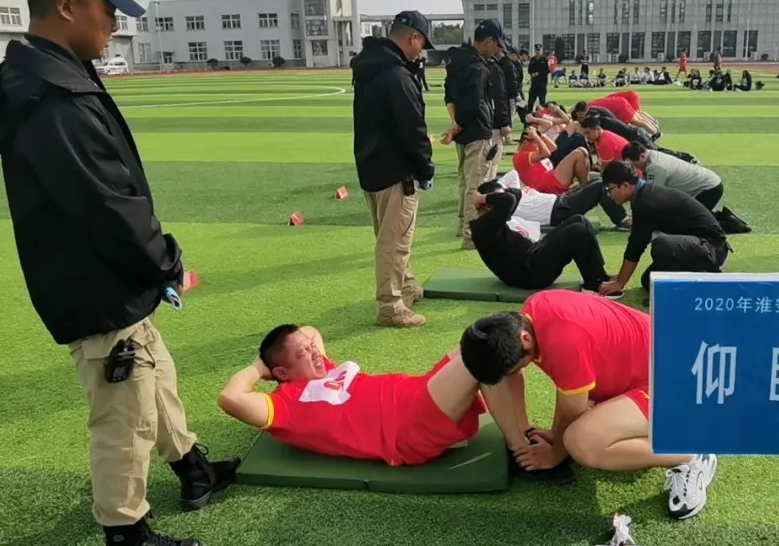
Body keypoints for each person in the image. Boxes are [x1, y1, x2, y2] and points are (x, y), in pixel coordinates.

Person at [0, 0, 237, 544]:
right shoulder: (50, 99)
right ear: (67, 5)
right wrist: (164, 261)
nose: (114, 24)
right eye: (107, 10)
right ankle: (126, 531)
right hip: (95, 283)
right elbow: (109, 206)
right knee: (123, 414)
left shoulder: (54, 75)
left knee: (154, 378)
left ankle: (192, 470)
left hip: (111, 277)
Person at [459, 291, 719, 520]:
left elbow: (571, 411)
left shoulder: (563, 340)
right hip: (646, 368)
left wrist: (554, 454)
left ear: (525, 339)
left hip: (676, 383)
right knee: (573, 427)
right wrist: (535, 435)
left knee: (581, 442)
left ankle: (690, 456)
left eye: (517, 367)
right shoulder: (530, 313)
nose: (516, 371)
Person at [220, 324, 576, 484]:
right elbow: (231, 398)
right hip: (406, 428)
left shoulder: (322, 368)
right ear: (282, 371)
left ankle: (523, 430)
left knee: (497, 339)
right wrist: (259, 367)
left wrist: (302, 349)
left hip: (418, 393)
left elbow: (310, 330)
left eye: (312, 348)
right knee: (485, 353)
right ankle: (523, 454)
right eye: (303, 353)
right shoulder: (286, 405)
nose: (314, 351)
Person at [352, 11, 435, 328]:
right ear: (413, 38)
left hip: (370, 164)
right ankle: (390, 306)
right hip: (396, 169)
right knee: (395, 240)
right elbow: (413, 129)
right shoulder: (398, 76)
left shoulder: (368, 68)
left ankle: (406, 287)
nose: (421, 50)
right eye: (422, 43)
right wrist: (425, 169)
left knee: (391, 235)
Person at [599, 161, 730, 300]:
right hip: (696, 244)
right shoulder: (644, 194)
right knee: (648, 281)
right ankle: (688, 280)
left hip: (712, 247)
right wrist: (620, 277)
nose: (608, 194)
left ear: (625, 186)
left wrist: (620, 283)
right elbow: (636, 244)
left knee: (662, 244)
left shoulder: (646, 203)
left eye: (609, 189)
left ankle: (701, 277)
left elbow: (636, 246)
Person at [468, 187, 617, 297]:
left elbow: (514, 196)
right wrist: (481, 198)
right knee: (577, 231)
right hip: (529, 274)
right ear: (488, 206)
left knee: (579, 219)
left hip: (532, 257)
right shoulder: (484, 228)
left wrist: (496, 194)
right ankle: (593, 286)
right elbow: (509, 199)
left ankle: (599, 275)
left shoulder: (489, 222)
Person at [444, 19, 510, 250]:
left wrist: (455, 124)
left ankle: (462, 224)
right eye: (497, 45)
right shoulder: (480, 68)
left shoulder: (457, 62)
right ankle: (471, 235)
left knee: (465, 182)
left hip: (461, 132)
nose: (498, 50)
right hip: (477, 130)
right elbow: (475, 103)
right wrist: (462, 123)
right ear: (489, 41)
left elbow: (449, 96)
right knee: (476, 184)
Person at [487, 171, 630, 230]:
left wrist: (502, 187)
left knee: (596, 180)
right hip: (559, 211)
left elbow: (513, 173)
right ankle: (622, 220)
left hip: (559, 199)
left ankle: (622, 218)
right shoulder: (506, 207)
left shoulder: (511, 193)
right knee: (599, 187)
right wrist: (491, 196)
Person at [621, 142, 723, 210]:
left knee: (690, 223)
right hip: (707, 185)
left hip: (708, 189)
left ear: (642, 156)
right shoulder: (650, 154)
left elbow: (652, 196)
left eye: (634, 164)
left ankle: (727, 223)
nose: (634, 168)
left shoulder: (656, 167)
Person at [512, 126, 592, 194]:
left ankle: (585, 187)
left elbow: (553, 147)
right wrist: (537, 138)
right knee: (580, 152)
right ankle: (585, 189)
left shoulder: (531, 152)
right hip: (548, 185)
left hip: (552, 178)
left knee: (582, 152)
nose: (537, 146)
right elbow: (546, 154)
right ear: (525, 142)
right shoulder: (519, 156)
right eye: (535, 143)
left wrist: (539, 134)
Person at [527, 43, 550, 110]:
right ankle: (529, 114)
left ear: (541, 50)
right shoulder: (532, 59)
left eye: (539, 50)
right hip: (534, 84)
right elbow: (529, 70)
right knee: (530, 101)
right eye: (536, 50)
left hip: (542, 84)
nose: (538, 51)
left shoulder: (544, 59)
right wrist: (532, 74)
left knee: (542, 102)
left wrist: (539, 73)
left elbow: (547, 70)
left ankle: (543, 115)